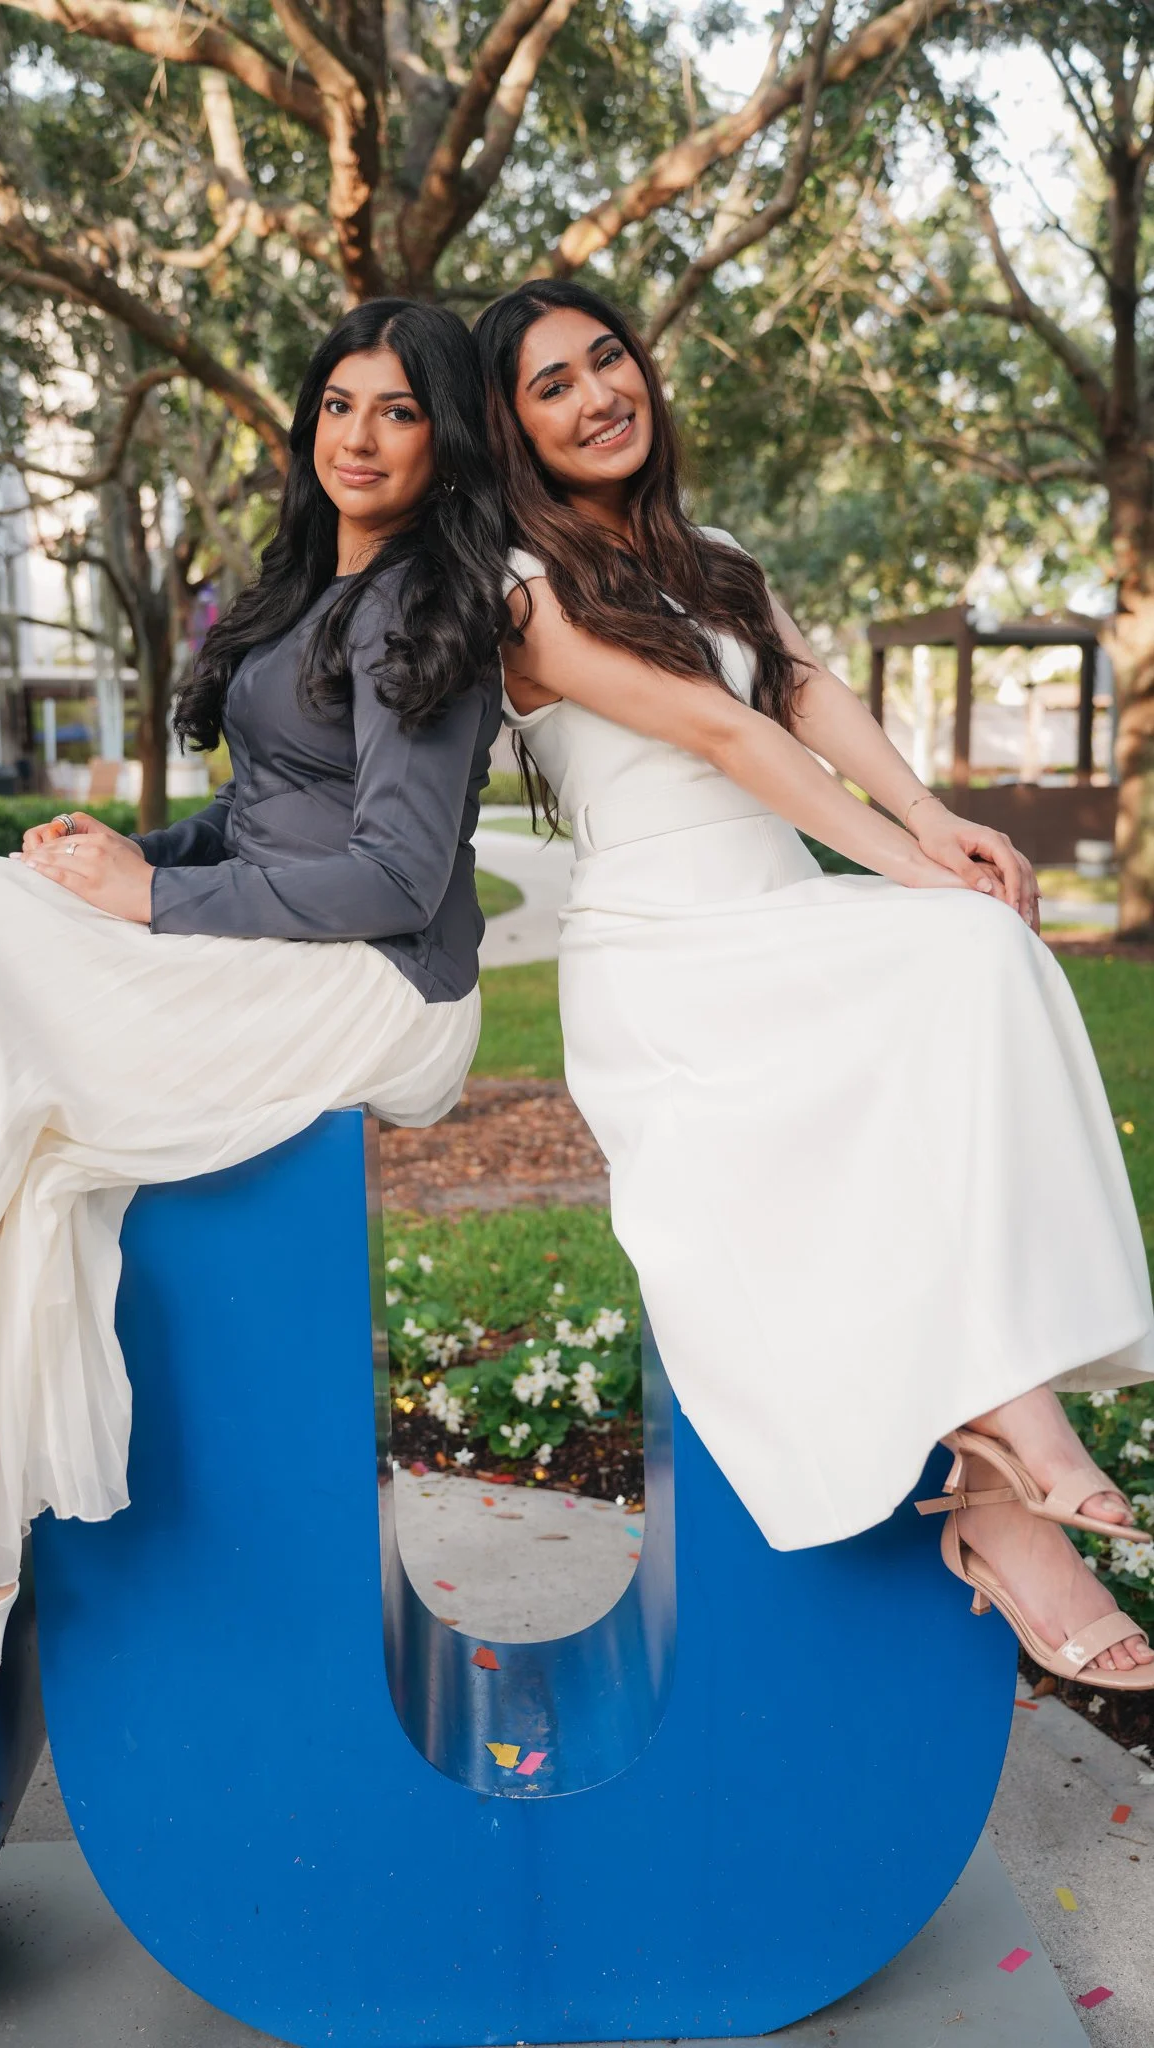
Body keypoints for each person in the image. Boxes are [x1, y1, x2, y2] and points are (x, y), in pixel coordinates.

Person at [0, 298, 507, 1697]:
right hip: (288, 949)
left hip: (380, 987)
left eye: (400, 411)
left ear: (446, 441)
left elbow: (397, 876)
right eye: (340, 404)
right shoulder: (312, 585)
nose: (359, 438)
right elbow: (264, 816)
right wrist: (128, 860)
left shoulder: (425, 600)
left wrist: (152, 904)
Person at [474, 277, 1154, 1691]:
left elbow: (800, 689)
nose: (599, 395)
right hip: (665, 954)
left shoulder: (713, 556)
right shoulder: (522, 592)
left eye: (609, 359)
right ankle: (1016, 1443)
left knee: (984, 952)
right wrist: (907, 862)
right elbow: (724, 733)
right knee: (960, 939)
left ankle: (1000, 1462)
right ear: (512, 429)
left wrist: (934, 819)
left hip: (780, 915)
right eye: (553, 385)